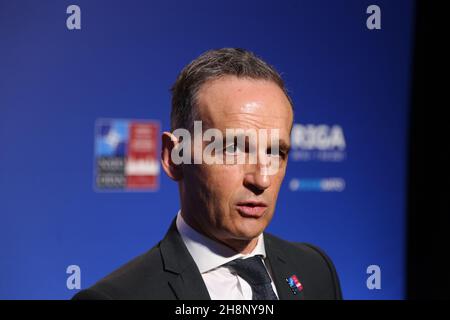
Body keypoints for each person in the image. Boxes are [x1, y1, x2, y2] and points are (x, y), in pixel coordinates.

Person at [73, 48, 342, 300]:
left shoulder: (316, 270)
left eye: (276, 153)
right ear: (173, 158)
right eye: (233, 149)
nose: (262, 179)